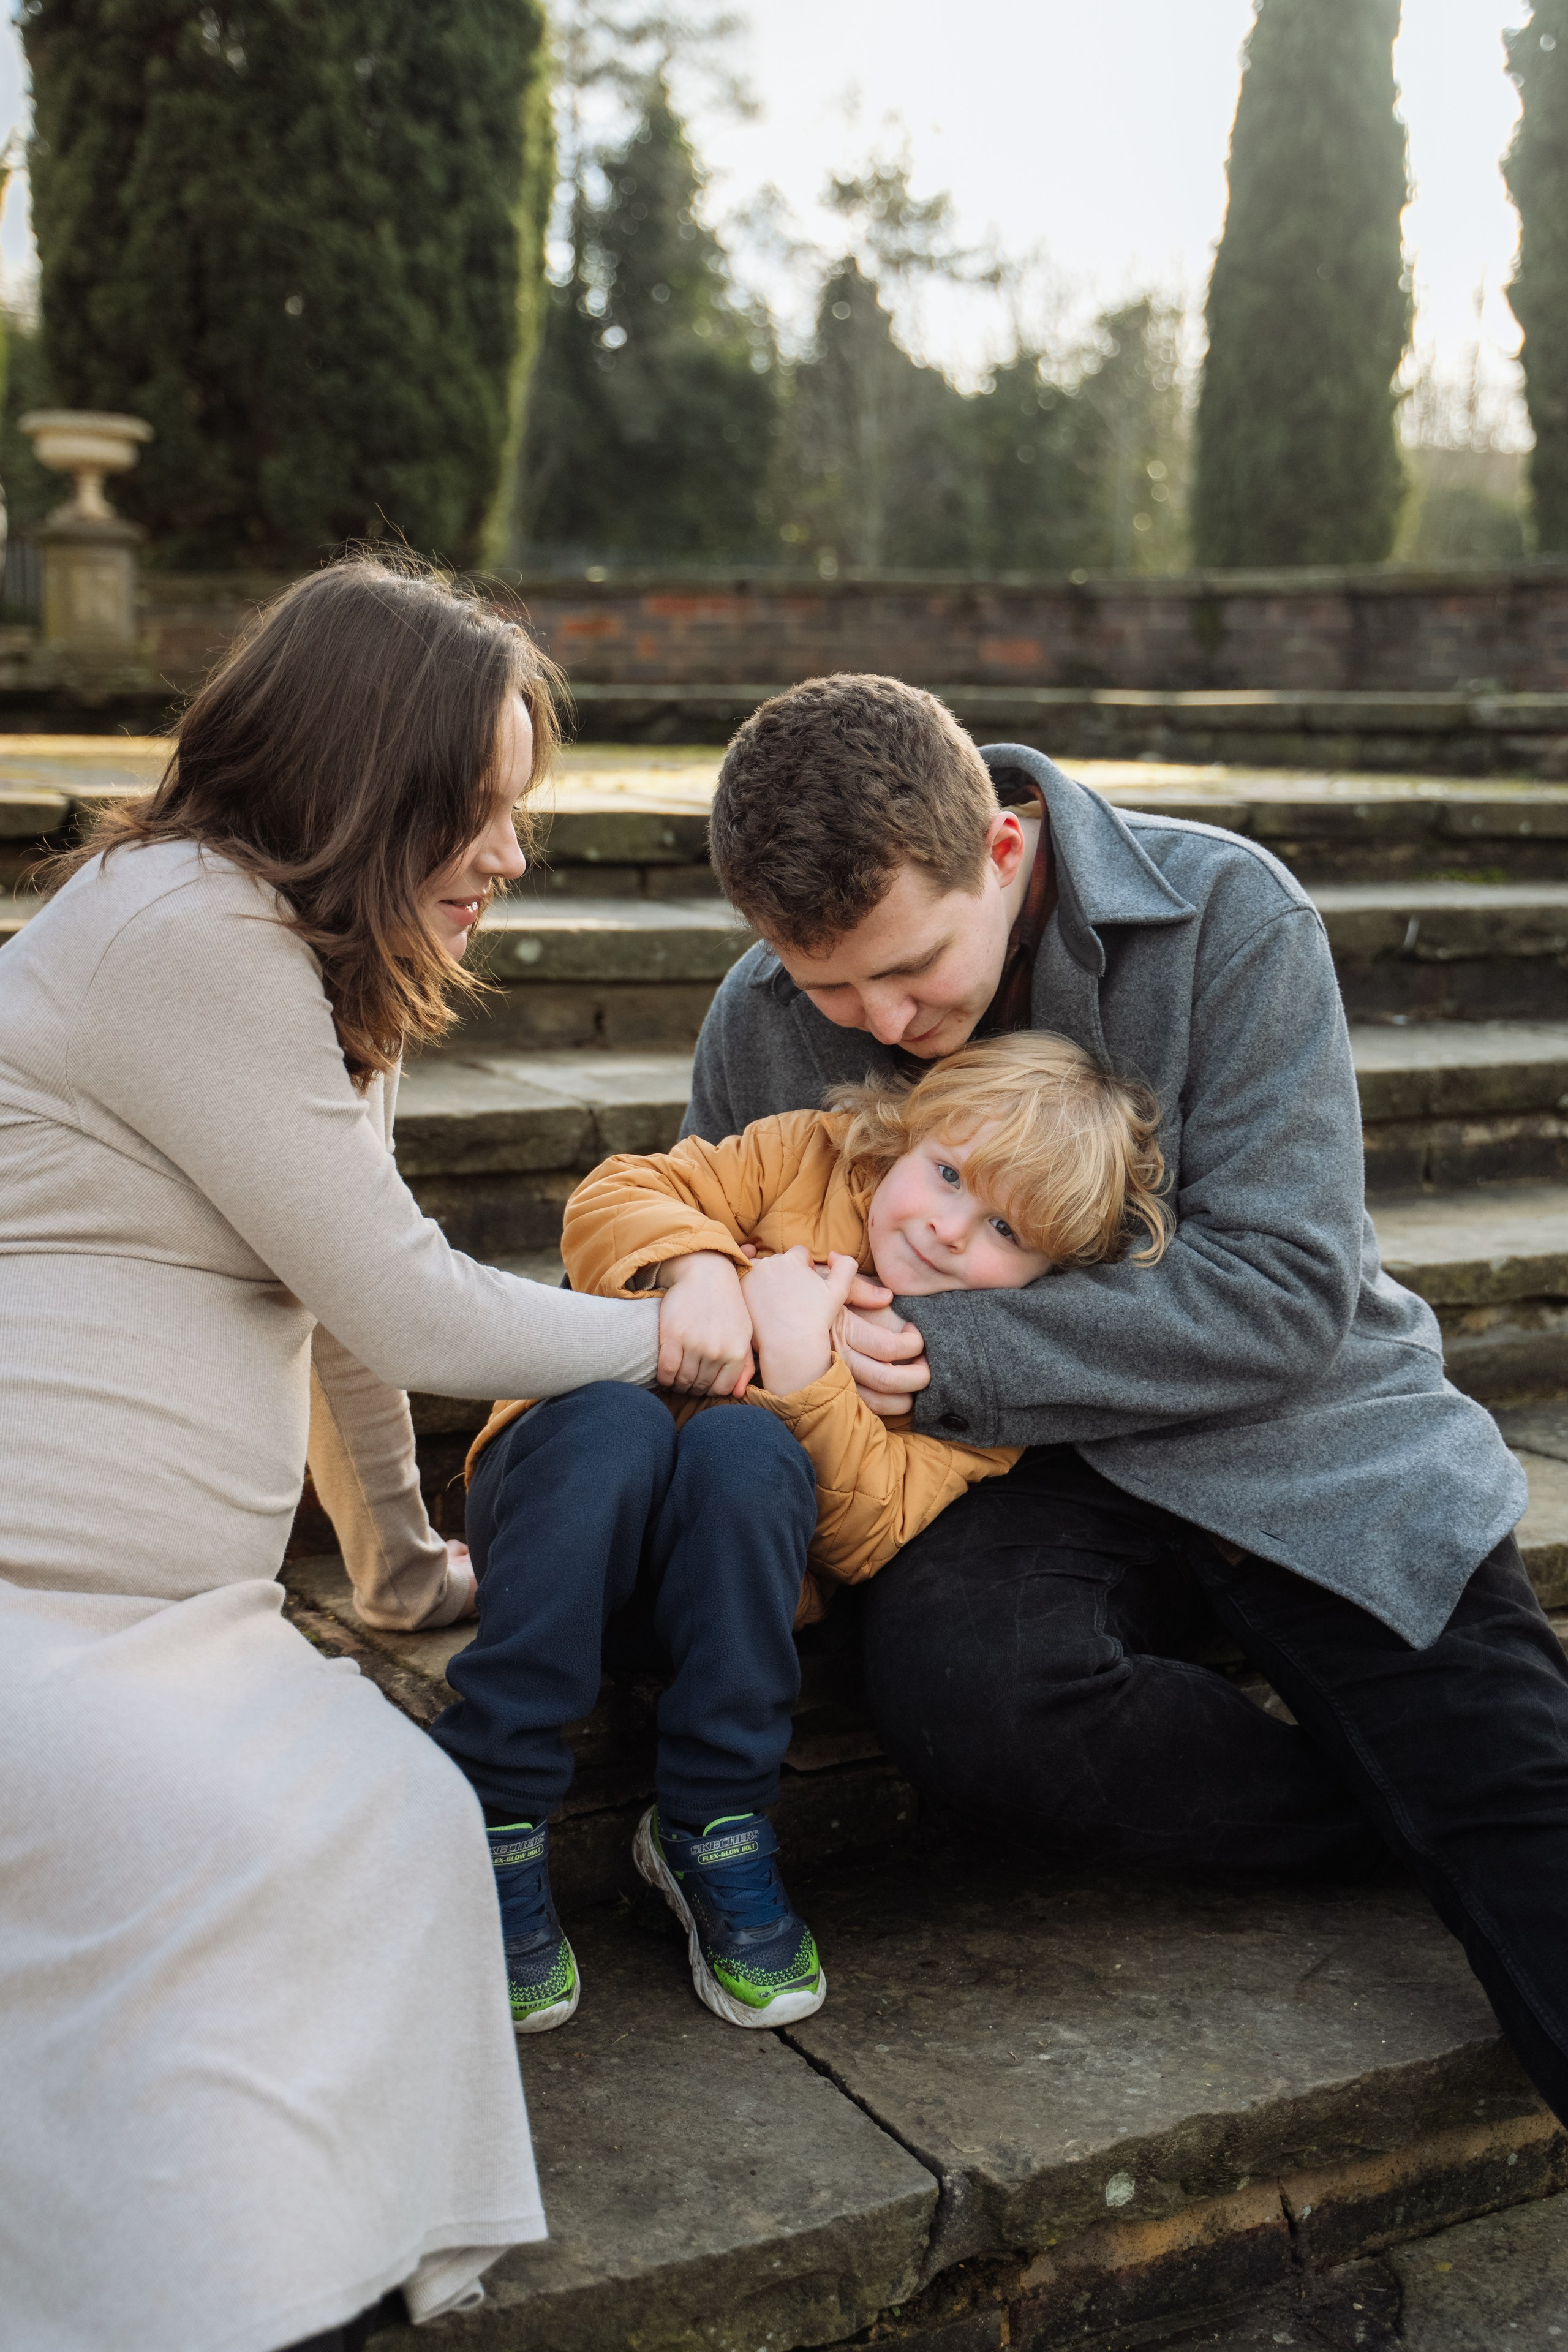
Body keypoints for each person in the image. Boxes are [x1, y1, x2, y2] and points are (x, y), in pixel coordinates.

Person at [677, 670, 1568, 2127]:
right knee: (967, 1692)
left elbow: (1284, 1292)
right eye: (824, 983)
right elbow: (709, 1221)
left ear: (1004, 850)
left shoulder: (1231, 914)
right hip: (994, 1479)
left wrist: (947, 1353)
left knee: (1516, 1813)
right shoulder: (761, 1015)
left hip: (1305, 1434)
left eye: (907, 970)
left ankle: (1462, 1804)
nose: (872, 1019)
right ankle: (1401, 1815)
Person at [0, 557, 673, 2352]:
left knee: (397, 1822)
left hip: (172, 1613)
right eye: (483, 809)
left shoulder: (302, 965)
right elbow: (425, 1307)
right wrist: (690, 1335)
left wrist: (389, 1562)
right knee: (224, 1853)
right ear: (356, 785)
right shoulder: (185, 932)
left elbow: (345, 1311)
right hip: (28, 1605)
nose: (513, 857)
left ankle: (305, 2281)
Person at [434, 1031, 1167, 2035]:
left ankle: (713, 1822)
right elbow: (615, 1194)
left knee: (748, 1451)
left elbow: (869, 1536)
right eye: (947, 1173)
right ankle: (492, 1804)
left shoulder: (990, 1374)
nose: (951, 1228)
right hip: (554, 1510)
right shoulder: (804, 1154)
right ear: (901, 1136)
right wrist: (705, 1273)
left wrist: (800, 1361)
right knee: (611, 1417)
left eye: (1005, 1228)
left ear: (1046, 1275)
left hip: (714, 1595)